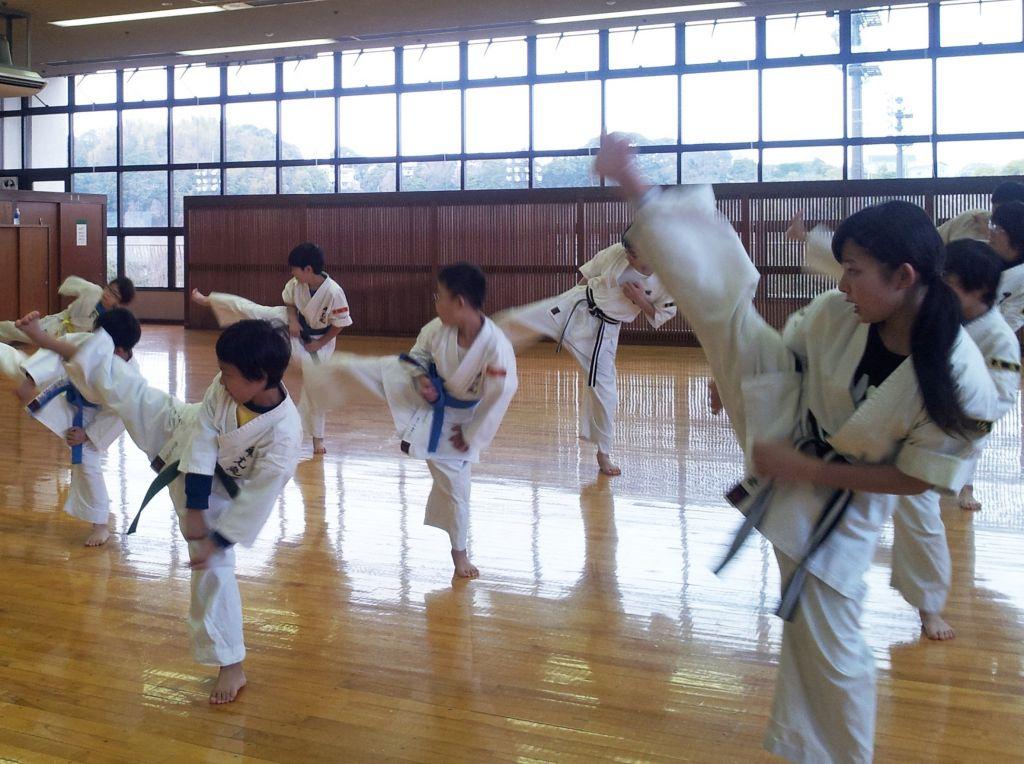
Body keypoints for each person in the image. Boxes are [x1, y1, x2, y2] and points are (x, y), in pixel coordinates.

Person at [595, 133, 998, 763]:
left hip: (843, 491)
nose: (843, 284)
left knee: (829, 645)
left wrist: (800, 466)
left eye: (855, 271)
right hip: (796, 424)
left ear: (904, 277)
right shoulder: (847, 312)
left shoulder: (957, 374)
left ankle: (835, 754)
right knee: (730, 315)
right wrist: (734, 373)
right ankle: (642, 192)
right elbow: (784, 355)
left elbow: (918, 480)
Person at [15, 312, 302, 705]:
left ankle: (230, 665)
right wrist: (194, 510)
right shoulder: (227, 386)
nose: (221, 379)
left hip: (224, 490)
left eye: (230, 374)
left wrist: (214, 537)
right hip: (180, 433)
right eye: (222, 371)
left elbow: (260, 499)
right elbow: (202, 435)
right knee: (131, 391)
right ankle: (70, 345)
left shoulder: (283, 439)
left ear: (261, 377)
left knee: (214, 569)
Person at [304, 262, 518, 579]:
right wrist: (420, 378)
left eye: (440, 296)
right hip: (430, 393)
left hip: (462, 419)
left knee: (457, 489)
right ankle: (315, 372)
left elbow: (500, 395)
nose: (436, 302)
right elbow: (417, 355)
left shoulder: (495, 348)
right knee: (383, 367)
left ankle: (459, 553)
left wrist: (472, 435)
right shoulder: (437, 329)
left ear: (459, 302)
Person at [889, 240, 1020, 641]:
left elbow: (997, 399)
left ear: (978, 291)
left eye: (950, 283)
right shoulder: (934, 314)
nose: (940, 290)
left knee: (920, 516)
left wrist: (949, 406)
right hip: (899, 420)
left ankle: (929, 608)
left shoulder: (997, 337)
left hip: (949, 434)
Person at [495, 229, 676, 476]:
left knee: (605, 394)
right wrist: (566, 298)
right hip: (577, 305)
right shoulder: (617, 252)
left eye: (633, 254)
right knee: (519, 319)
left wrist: (638, 298)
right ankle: (472, 351)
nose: (627, 256)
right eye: (627, 251)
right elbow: (588, 275)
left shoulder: (669, 278)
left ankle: (603, 454)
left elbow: (659, 316)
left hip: (603, 332)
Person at [192, 242, 351, 455]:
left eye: (294, 268)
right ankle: (210, 300)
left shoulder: (333, 292)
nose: (291, 273)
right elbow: (290, 303)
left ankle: (317, 440)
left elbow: (339, 324)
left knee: (316, 388)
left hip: (320, 342)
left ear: (308, 270)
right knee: (253, 310)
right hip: (295, 325)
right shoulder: (297, 283)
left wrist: (319, 343)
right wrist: (293, 321)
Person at [0, 309, 141, 546]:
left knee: (86, 459)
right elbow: (61, 349)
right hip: (69, 391)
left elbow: (118, 416)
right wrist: (30, 381)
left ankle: (101, 524)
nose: (95, 342)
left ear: (119, 351)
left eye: (101, 341)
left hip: (97, 414)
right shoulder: (90, 343)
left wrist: (88, 434)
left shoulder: (129, 377)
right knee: (19, 366)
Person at [0, 276, 135, 344]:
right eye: (109, 289)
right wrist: (67, 288)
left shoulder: (112, 318)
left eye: (114, 294)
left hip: (73, 342)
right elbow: (71, 284)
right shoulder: (94, 291)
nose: (108, 294)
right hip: (57, 325)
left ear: (120, 301)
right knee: (19, 330)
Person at [987, 200, 1024, 333]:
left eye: (998, 228)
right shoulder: (989, 260)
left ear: (1016, 233)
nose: (991, 233)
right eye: (992, 226)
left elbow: (1012, 325)